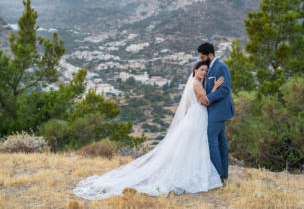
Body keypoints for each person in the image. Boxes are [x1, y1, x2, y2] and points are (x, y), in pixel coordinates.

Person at [73, 61, 225, 200]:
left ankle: (191, 172)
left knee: (191, 148)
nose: (204, 72)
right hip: (197, 118)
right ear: (195, 70)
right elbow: (205, 101)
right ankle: (194, 174)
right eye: (202, 70)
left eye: (206, 70)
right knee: (196, 146)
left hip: (192, 116)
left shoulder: (192, 83)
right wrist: (216, 87)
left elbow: (191, 102)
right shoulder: (197, 84)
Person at [197, 42, 235, 183]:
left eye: (202, 57)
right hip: (213, 109)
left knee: (211, 140)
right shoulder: (210, 67)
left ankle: (218, 175)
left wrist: (208, 97)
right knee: (220, 141)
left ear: (210, 55)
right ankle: (223, 173)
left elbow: (225, 89)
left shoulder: (221, 67)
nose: (201, 59)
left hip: (219, 110)